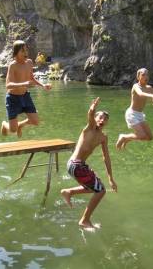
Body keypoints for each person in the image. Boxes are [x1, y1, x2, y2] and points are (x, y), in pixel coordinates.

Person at [61, 97, 117, 230]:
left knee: (95, 186)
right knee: (100, 191)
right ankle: (84, 221)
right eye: (100, 118)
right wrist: (93, 108)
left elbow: (106, 158)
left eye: (105, 119)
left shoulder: (103, 137)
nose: (102, 120)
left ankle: (68, 192)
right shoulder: (90, 128)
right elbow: (90, 114)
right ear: (95, 120)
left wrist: (111, 178)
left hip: (78, 166)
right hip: (76, 164)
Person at [1, 40, 52, 137]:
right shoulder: (13, 65)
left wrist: (43, 85)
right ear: (16, 53)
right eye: (22, 51)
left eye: (26, 50)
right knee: (13, 130)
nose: (26, 53)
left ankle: (20, 125)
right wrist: (24, 83)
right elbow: (8, 85)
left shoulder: (29, 63)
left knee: (35, 121)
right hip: (13, 98)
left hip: (25, 96)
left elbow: (31, 78)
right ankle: (4, 124)